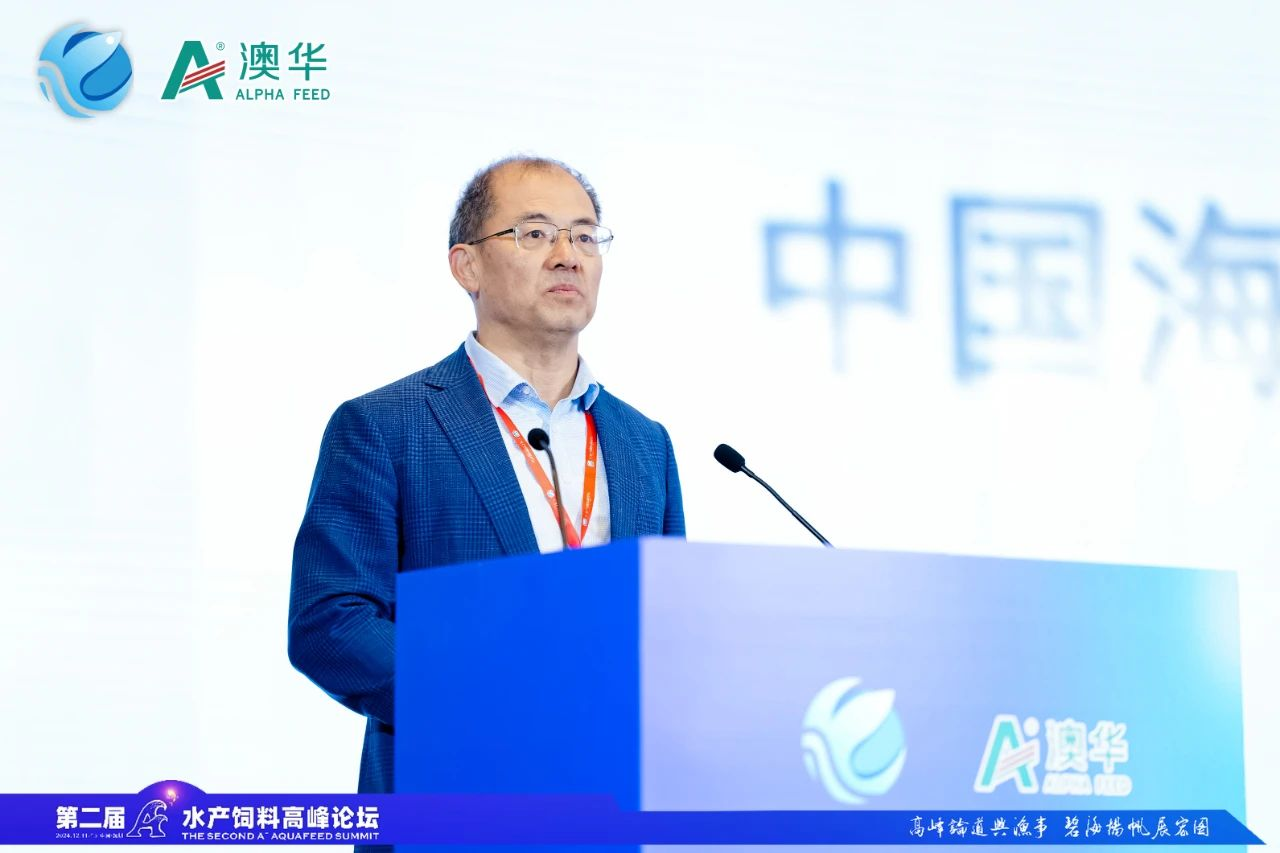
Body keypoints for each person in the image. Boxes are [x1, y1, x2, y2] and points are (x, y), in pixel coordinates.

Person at [287, 156, 685, 803]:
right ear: (466, 265)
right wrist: (487, 700)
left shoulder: (645, 443)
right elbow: (330, 621)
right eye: (536, 233)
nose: (568, 256)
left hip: (612, 807)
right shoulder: (386, 425)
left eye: (586, 236)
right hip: (456, 807)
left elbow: (669, 628)